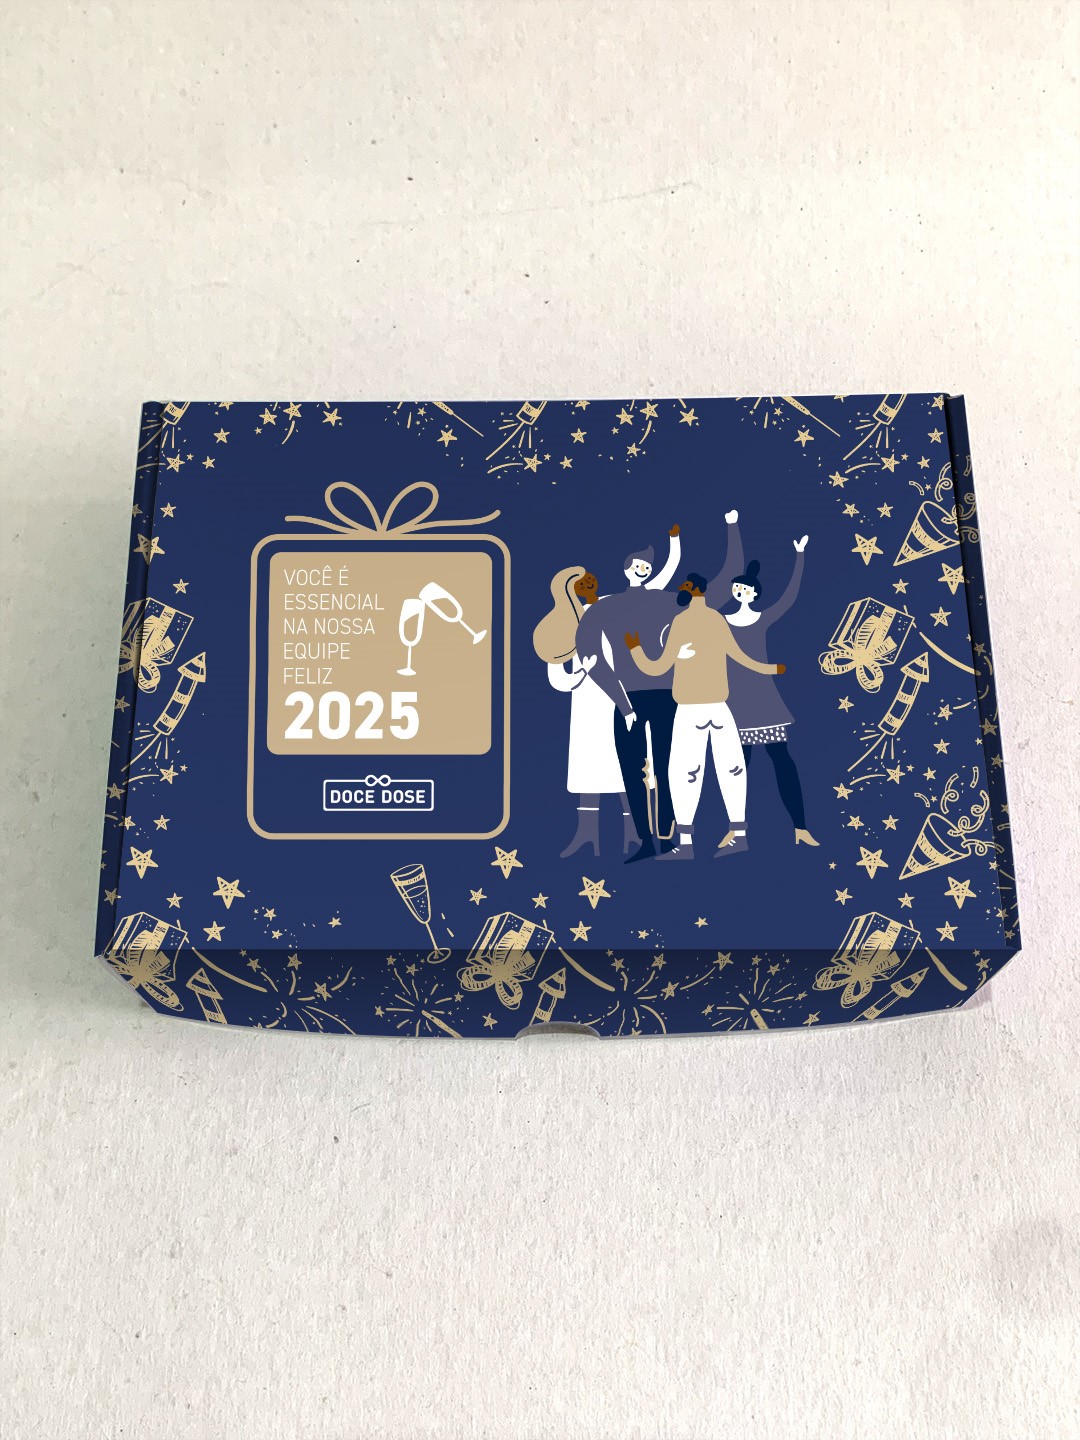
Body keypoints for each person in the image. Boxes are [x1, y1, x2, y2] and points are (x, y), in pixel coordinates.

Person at [577, 512, 742, 862]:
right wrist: (621, 702)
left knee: (671, 767)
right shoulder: (607, 609)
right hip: (629, 699)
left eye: (647, 565)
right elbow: (591, 656)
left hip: (669, 698)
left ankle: (667, 836)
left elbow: (724, 581)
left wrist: (732, 528)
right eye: (637, 564)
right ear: (626, 569)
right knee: (633, 771)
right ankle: (645, 840)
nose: (642, 569)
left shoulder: (669, 601)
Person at [624, 571, 784, 860]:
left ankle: (687, 843)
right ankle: (738, 835)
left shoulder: (682, 622)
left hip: (691, 710)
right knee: (732, 768)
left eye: (685, 586)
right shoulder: (715, 620)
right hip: (718, 707)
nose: (682, 589)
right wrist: (770, 669)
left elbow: (657, 667)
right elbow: (739, 656)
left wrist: (635, 650)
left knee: (686, 772)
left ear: (694, 589)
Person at [532, 567, 635, 857]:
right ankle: (587, 835)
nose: (586, 582)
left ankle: (635, 833)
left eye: (587, 577)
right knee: (590, 766)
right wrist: (582, 673)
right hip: (588, 705)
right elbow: (557, 677)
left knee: (628, 764)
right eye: (578, 583)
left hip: (625, 697)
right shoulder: (563, 624)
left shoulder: (617, 606)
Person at [723, 540, 818, 847]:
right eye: (737, 588)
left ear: (754, 594)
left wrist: (799, 556)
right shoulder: (721, 622)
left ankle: (800, 826)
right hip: (732, 702)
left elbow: (789, 596)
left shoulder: (762, 618)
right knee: (736, 768)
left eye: (745, 589)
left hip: (763, 700)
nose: (740, 592)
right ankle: (735, 829)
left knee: (781, 760)